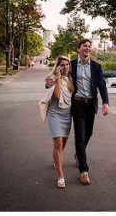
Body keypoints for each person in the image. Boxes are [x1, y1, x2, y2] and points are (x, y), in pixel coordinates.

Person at [69, 38, 110, 185]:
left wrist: (106, 103)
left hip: (90, 104)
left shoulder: (96, 67)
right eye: (84, 46)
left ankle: (79, 154)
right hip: (77, 104)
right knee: (79, 135)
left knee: (89, 133)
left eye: (89, 46)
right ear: (78, 49)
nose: (87, 48)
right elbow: (61, 77)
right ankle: (83, 171)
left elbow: (102, 86)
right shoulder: (72, 65)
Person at [41, 56, 74, 188]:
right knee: (58, 142)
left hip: (67, 114)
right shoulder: (53, 78)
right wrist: (58, 77)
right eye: (62, 65)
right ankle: (60, 176)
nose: (65, 67)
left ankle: (57, 158)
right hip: (55, 113)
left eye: (67, 65)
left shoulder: (71, 79)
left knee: (62, 143)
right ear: (58, 66)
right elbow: (57, 95)